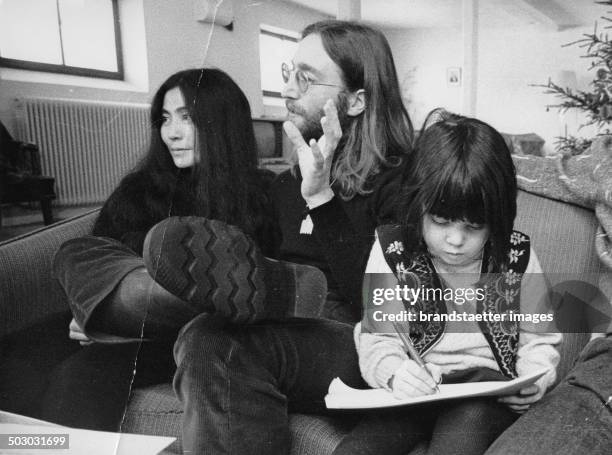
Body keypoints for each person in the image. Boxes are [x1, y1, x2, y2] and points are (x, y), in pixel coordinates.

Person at [162, 20, 414, 453]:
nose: (288, 89)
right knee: (205, 333)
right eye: (288, 71)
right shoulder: (285, 185)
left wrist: (322, 201)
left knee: (215, 344)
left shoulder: (401, 182)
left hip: (367, 339)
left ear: (356, 101)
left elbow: (386, 310)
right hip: (293, 324)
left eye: (307, 77)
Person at [39, 68, 276, 431]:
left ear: (222, 124)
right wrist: (86, 307)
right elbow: (101, 255)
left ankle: (122, 311)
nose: (172, 133)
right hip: (119, 314)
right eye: (165, 119)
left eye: (188, 118)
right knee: (29, 340)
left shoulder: (261, 195)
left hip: (183, 335)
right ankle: (112, 310)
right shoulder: (140, 187)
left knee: (80, 375)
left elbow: (252, 295)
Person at [331, 109, 562, 454]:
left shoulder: (516, 255)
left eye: (473, 227)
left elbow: (540, 341)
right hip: (416, 388)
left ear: (497, 219)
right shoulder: (392, 249)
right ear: (417, 206)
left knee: (462, 436)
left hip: (486, 393)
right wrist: (395, 373)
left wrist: (536, 378)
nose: (455, 240)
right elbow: (377, 338)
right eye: (440, 221)